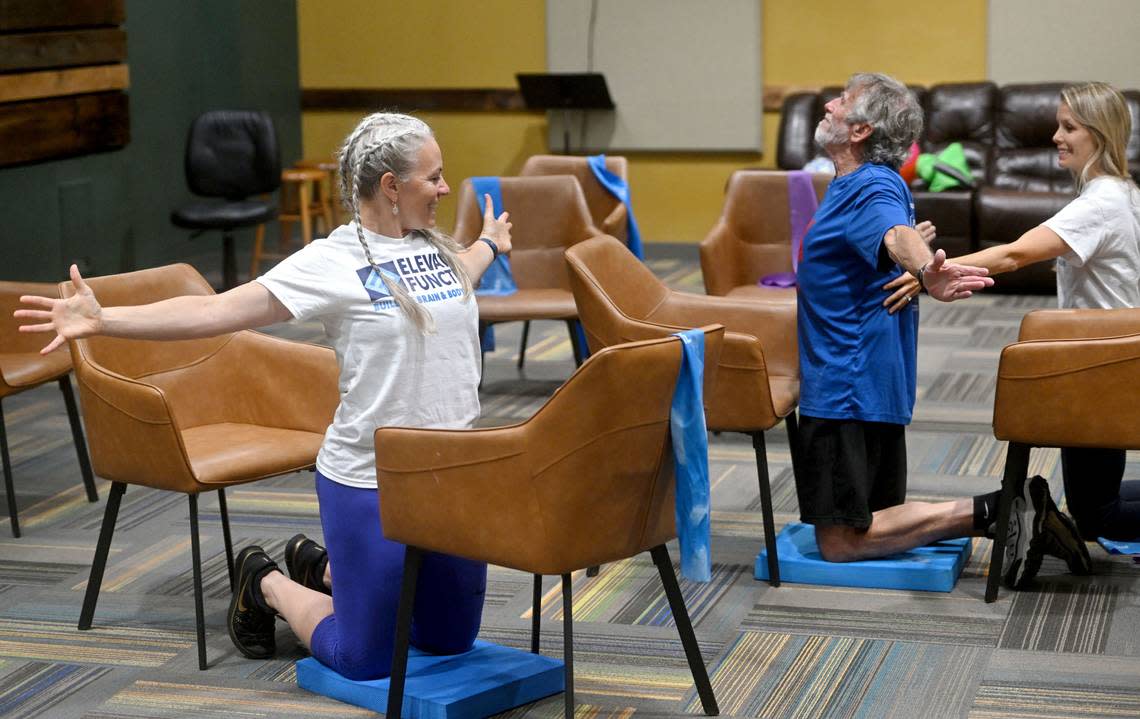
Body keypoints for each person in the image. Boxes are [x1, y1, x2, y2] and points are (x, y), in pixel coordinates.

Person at [15, 113, 513, 680]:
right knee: (365, 659)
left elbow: (462, 275)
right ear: (391, 187)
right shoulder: (331, 263)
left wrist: (489, 246)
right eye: (434, 177)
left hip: (454, 476)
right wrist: (104, 319)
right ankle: (268, 582)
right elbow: (214, 310)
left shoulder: (436, 249)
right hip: (371, 478)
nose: (446, 189)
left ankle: (324, 570)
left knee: (448, 641)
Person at [794, 72, 1090, 590]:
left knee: (841, 541)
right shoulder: (869, 183)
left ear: (860, 129)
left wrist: (925, 266)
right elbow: (891, 230)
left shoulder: (869, 185)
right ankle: (1005, 510)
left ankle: (1003, 509)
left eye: (841, 100)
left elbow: (895, 235)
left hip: (845, 387)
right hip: (865, 381)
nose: (829, 104)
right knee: (876, 516)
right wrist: (914, 252)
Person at [885, 81, 1140, 544]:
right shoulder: (1124, 192)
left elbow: (1013, 256)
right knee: (1095, 501)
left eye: (1069, 128)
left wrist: (926, 269)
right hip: (1113, 356)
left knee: (1096, 516)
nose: (1056, 137)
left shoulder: (1099, 205)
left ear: (1099, 134)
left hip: (1099, 363)